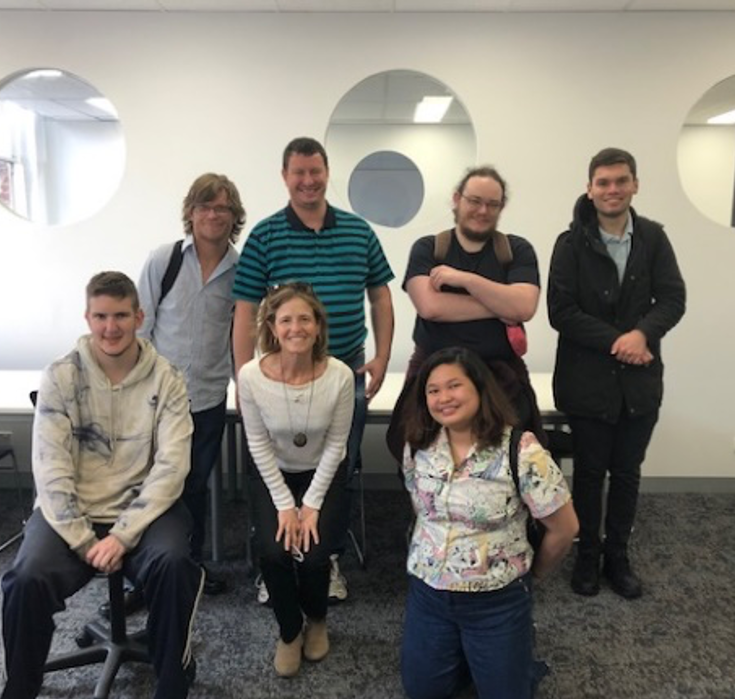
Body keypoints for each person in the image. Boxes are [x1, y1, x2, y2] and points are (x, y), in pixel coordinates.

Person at [0, 272, 202, 699]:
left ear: (138, 317)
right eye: (101, 316)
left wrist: (122, 536)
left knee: (174, 567)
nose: (111, 327)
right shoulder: (61, 376)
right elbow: (50, 469)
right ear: (88, 319)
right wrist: (86, 540)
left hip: (145, 509)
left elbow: (171, 468)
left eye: (121, 316)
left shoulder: (167, 378)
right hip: (72, 513)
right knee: (25, 581)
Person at [233, 136, 394, 603]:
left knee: (337, 468)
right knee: (272, 468)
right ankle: (276, 559)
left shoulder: (358, 231)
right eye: (298, 172)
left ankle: (328, 557)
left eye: (315, 171)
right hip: (278, 379)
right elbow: (245, 310)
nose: (308, 180)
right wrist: (245, 377)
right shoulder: (264, 235)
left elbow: (380, 294)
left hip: (344, 377)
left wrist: (382, 355)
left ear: (327, 173)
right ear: (285, 177)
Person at [400, 347, 577, 699]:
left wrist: (532, 578)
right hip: (429, 591)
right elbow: (421, 508)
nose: (443, 398)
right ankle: (469, 651)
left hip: (496, 598)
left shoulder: (521, 449)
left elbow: (564, 529)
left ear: (480, 389)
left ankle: (513, 647)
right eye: (433, 390)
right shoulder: (417, 445)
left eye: (454, 386)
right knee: (425, 692)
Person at [548, 147, 686, 600]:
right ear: (589, 188)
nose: (612, 189)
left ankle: (618, 557)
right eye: (603, 182)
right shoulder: (569, 244)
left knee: (627, 472)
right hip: (586, 381)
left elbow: (672, 298)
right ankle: (587, 556)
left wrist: (642, 334)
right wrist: (619, 341)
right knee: (589, 472)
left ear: (635, 185)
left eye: (621, 181)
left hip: (639, 384)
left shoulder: (653, 239)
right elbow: (561, 312)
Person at [387, 165, 546, 461]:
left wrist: (464, 280)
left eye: (492, 204)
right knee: (423, 459)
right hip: (434, 374)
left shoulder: (517, 250)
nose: (483, 210)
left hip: (501, 376)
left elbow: (524, 307)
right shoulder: (428, 248)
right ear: (457, 199)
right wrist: (500, 303)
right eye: (475, 201)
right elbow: (430, 307)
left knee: (510, 463)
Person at [136, 172, 246, 600]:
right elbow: (139, 328)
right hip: (157, 401)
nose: (213, 215)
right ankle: (141, 575)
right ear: (191, 212)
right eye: (205, 206)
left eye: (222, 208)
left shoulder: (242, 269)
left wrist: (245, 386)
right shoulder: (164, 260)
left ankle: (189, 568)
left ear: (234, 216)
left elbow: (243, 335)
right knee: (150, 486)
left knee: (194, 488)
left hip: (207, 399)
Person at [236, 283, 354, 677]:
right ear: (272, 326)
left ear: (318, 326)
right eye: (286, 320)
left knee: (317, 551)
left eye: (305, 319)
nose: (296, 328)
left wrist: (312, 504)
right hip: (274, 473)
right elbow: (256, 441)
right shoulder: (251, 376)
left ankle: (317, 620)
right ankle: (289, 631)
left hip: (323, 471)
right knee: (273, 550)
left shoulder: (339, 376)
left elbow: (337, 444)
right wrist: (286, 505)